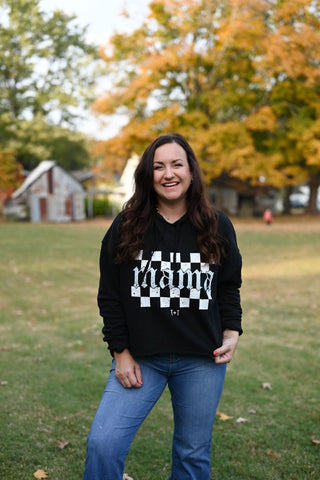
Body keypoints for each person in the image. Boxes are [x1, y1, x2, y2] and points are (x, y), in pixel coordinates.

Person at [83, 133, 243, 480]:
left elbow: (228, 285)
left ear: (190, 171)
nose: (167, 173)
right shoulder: (127, 226)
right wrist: (120, 353)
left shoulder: (217, 225)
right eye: (158, 166)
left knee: (192, 454)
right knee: (103, 444)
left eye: (176, 164)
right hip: (142, 359)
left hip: (202, 359)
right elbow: (110, 296)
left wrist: (232, 331)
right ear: (147, 174)